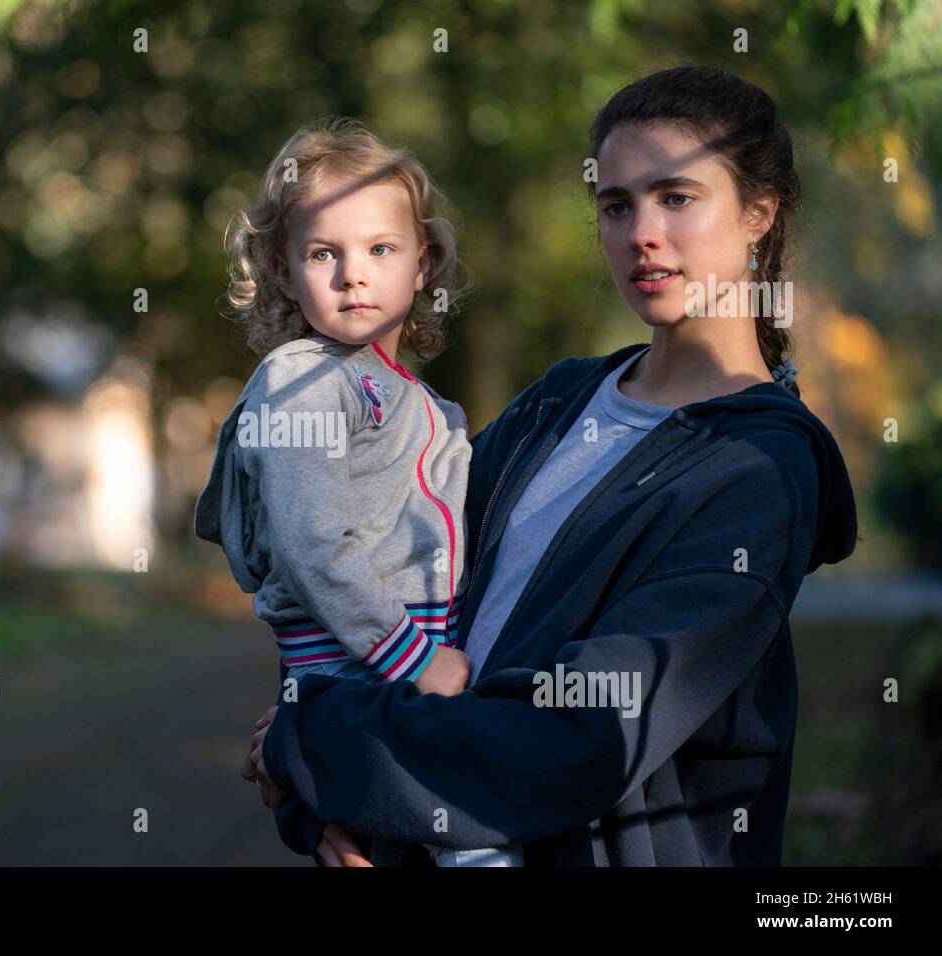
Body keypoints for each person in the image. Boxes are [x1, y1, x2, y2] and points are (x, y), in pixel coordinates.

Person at [242, 66, 859, 867]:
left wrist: (319, 745)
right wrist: (321, 792)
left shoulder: (757, 469)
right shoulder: (556, 404)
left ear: (758, 213)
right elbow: (382, 584)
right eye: (615, 204)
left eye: (677, 197)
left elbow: (583, 732)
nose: (641, 231)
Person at [196, 117, 520, 865]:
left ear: (424, 262)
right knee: (474, 839)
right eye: (322, 253)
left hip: (388, 664)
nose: (354, 274)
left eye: (380, 249)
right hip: (360, 667)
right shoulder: (301, 383)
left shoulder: (422, 403)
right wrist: (417, 661)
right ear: (281, 270)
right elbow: (315, 544)